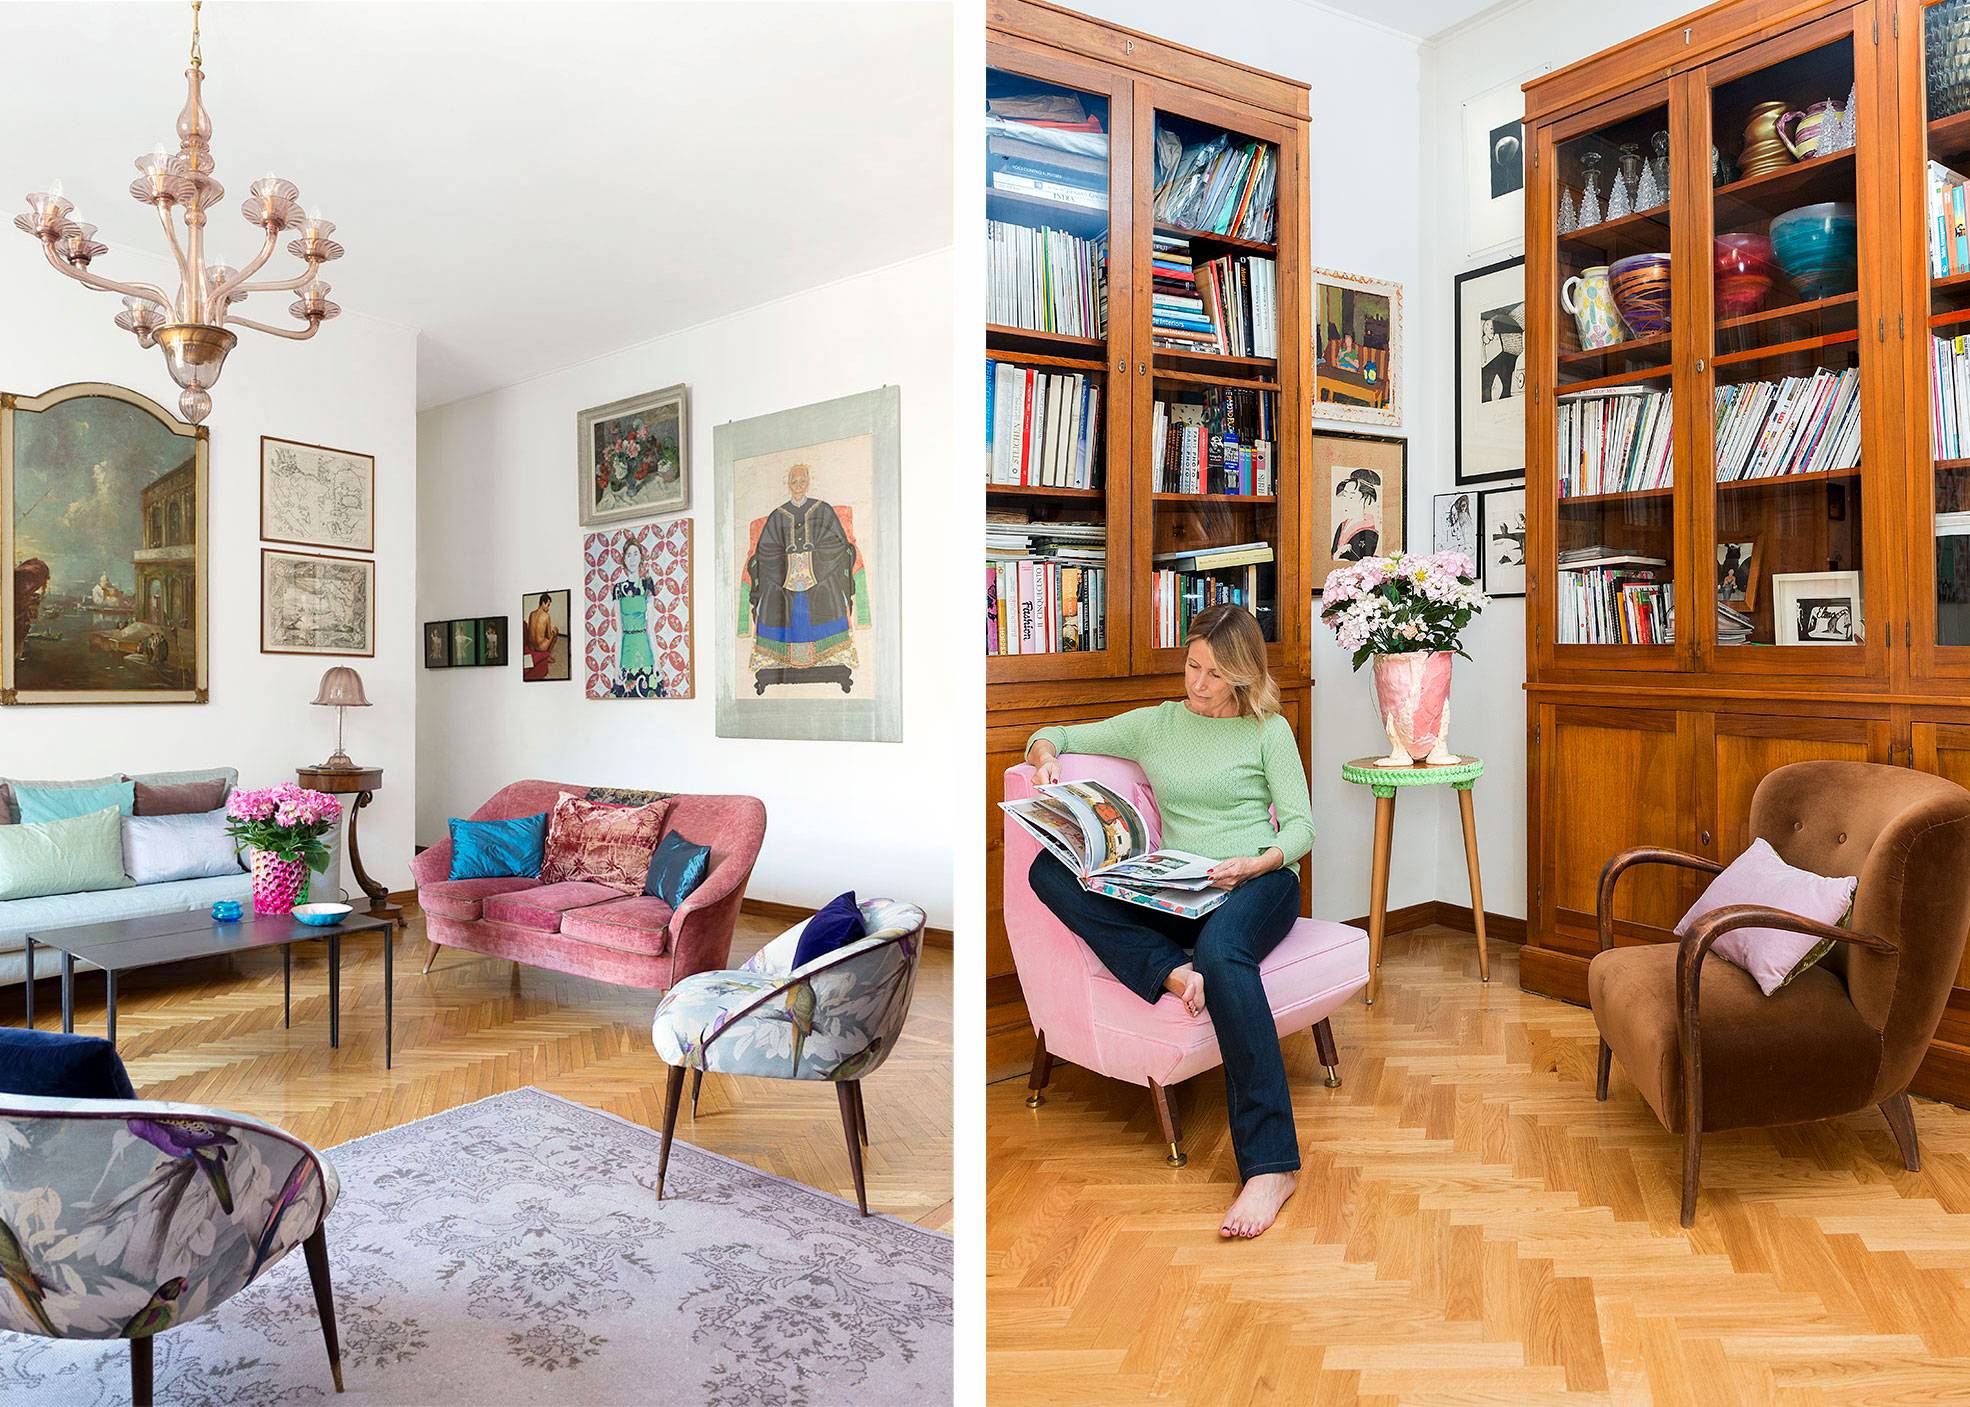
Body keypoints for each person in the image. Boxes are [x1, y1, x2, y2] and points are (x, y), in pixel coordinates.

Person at [1022, 604, 1314, 1239]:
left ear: (1240, 674)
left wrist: (1255, 862)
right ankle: (1170, 970)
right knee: (1047, 870)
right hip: (1181, 889)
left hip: (1259, 884)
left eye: (1212, 673)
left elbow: (1301, 827)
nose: (1196, 684)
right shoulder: (1159, 726)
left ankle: (1270, 1167)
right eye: (1191, 666)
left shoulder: (1269, 731)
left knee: (1225, 952)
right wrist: (1043, 756)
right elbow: (1062, 735)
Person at [747, 461, 859, 680]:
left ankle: (829, 661)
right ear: (788, 484)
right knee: (772, 596)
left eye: (802, 481)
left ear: (809, 482)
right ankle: (778, 662)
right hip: (782, 578)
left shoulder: (823, 509)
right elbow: (765, 550)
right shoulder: (777, 515)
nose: (798, 485)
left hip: (820, 572)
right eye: (794, 481)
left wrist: (812, 563)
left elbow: (837, 543)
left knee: (829, 593)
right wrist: (787, 566)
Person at [525, 593, 561, 680]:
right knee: (555, 630)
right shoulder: (546, 616)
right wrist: (552, 629)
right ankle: (547, 656)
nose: (548, 608)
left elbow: (533, 629)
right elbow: (548, 636)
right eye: (548, 605)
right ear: (543, 603)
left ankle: (543, 653)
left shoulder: (531, 614)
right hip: (540, 647)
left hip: (531, 646)